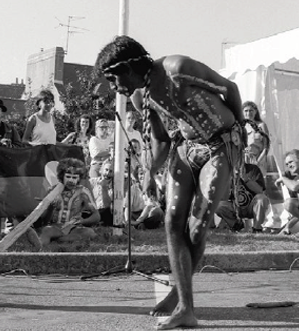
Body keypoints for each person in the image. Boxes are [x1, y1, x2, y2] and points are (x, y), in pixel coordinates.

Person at [95, 36, 245, 329]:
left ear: (129, 66)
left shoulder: (178, 69)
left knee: (197, 228)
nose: (113, 87)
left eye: (113, 77)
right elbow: (161, 138)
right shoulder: (141, 96)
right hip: (185, 149)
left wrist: (240, 131)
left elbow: (231, 89)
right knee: (172, 220)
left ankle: (181, 298)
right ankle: (184, 304)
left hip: (220, 147)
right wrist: (151, 172)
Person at [38, 158, 100, 245]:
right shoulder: (52, 191)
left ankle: (60, 240)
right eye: (68, 177)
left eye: (74, 177)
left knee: (89, 232)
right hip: (55, 227)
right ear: (62, 176)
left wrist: (82, 222)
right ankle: (55, 242)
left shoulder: (84, 192)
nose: (71, 180)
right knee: (46, 230)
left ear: (79, 178)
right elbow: (43, 221)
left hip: (74, 228)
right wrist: (51, 208)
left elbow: (96, 216)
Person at [216, 163, 270, 233]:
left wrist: (245, 179)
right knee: (217, 205)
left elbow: (259, 190)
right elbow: (223, 197)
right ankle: (237, 226)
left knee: (262, 199)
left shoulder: (252, 169)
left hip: (252, 206)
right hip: (235, 207)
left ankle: (257, 229)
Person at [127, 165, 165, 230]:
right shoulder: (133, 189)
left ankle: (140, 224)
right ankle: (140, 224)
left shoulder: (153, 188)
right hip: (136, 214)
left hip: (148, 215)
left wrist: (139, 221)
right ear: (137, 176)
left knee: (158, 212)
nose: (143, 176)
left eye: (145, 174)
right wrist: (128, 220)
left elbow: (150, 206)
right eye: (141, 174)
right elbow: (127, 207)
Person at [242, 101, 269, 175]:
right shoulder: (241, 127)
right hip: (244, 160)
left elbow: (266, 146)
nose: (248, 113)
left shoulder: (261, 126)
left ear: (255, 112)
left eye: (251, 110)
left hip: (258, 159)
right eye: (246, 111)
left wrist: (258, 162)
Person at [90, 159, 114, 226]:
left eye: (111, 171)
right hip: (92, 211)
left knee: (105, 211)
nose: (108, 173)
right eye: (106, 170)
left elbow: (106, 204)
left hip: (105, 212)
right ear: (101, 170)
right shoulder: (92, 182)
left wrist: (104, 187)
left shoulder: (114, 187)